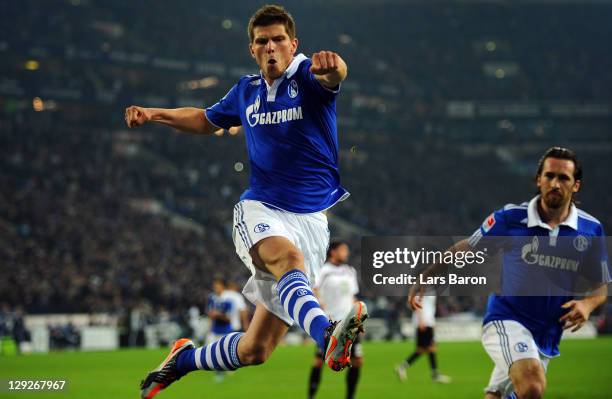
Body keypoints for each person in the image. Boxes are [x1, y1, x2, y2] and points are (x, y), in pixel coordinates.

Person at [125, 5, 368, 399]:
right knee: (288, 262)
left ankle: (181, 361)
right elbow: (205, 119)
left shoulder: (308, 76)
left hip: (312, 224)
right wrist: (155, 113)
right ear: (252, 49)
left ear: (293, 45)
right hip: (261, 208)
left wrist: (336, 66)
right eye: (262, 41)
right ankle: (326, 334)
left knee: (256, 350)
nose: (270, 47)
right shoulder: (246, 90)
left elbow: (334, 75)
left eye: (278, 40)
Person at [409, 147, 610, 399]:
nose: (555, 184)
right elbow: (468, 247)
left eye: (564, 178)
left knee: (499, 396)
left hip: (547, 332)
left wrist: (588, 305)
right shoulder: (510, 218)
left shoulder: (590, 229)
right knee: (533, 386)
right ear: (539, 179)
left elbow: (601, 285)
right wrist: (428, 275)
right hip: (507, 319)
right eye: (549, 176)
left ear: (576, 185)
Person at [308, 240, 362, 399]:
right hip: (330, 323)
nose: (347, 253)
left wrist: (358, 319)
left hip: (350, 324)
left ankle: (350, 397)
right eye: (343, 250)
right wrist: (321, 305)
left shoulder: (350, 271)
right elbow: (313, 290)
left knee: (357, 361)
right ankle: (310, 397)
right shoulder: (323, 271)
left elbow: (352, 296)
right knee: (319, 361)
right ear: (333, 252)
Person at [395, 291, 451, 384]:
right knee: (428, 348)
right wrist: (421, 320)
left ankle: (403, 367)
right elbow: (417, 303)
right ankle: (435, 375)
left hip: (428, 322)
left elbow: (430, 308)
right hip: (424, 322)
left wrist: (433, 323)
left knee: (426, 349)